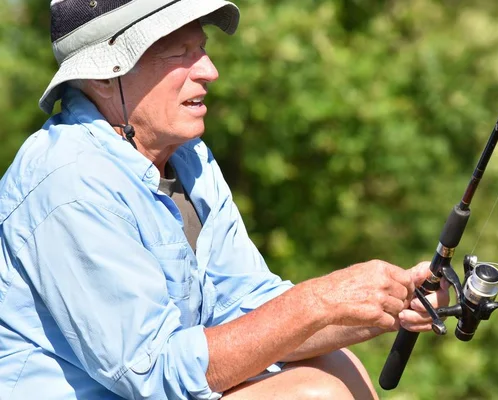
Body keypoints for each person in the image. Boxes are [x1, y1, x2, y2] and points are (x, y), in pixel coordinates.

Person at [0, 1, 449, 399]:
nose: (209, 70)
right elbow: (152, 374)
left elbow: (249, 308)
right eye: (179, 52)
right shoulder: (71, 183)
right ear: (104, 76)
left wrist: (384, 305)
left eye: (202, 47)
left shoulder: (188, 157)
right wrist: (317, 302)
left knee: (337, 364)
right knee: (314, 393)